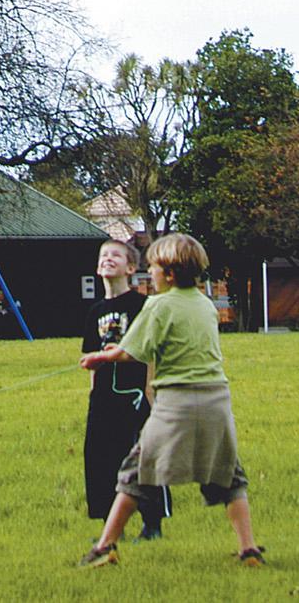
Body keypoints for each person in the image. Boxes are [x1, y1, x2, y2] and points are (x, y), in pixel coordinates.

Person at [77, 232, 263, 569]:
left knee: (134, 474)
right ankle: (248, 549)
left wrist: (100, 358)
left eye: (153, 268)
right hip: (216, 400)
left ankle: (105, 547)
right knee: (230, 477)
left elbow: (132, 350)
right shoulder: (206, 305)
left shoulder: (158, 304)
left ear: (171, 274)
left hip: (176, 402)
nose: (151, 274)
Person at [82, 241, 169, 540]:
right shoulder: (95, 311)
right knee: (100, 458)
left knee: (141, 458)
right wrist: (93, 395)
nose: (108, 259)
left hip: (135, 395)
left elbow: (151, 354)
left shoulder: (141, 305)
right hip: (104, 398)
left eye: (115, 255)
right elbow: (91, 360)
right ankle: (110, 527)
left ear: (131, 268)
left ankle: (153, 523)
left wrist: (150, 393)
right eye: (103, 255)